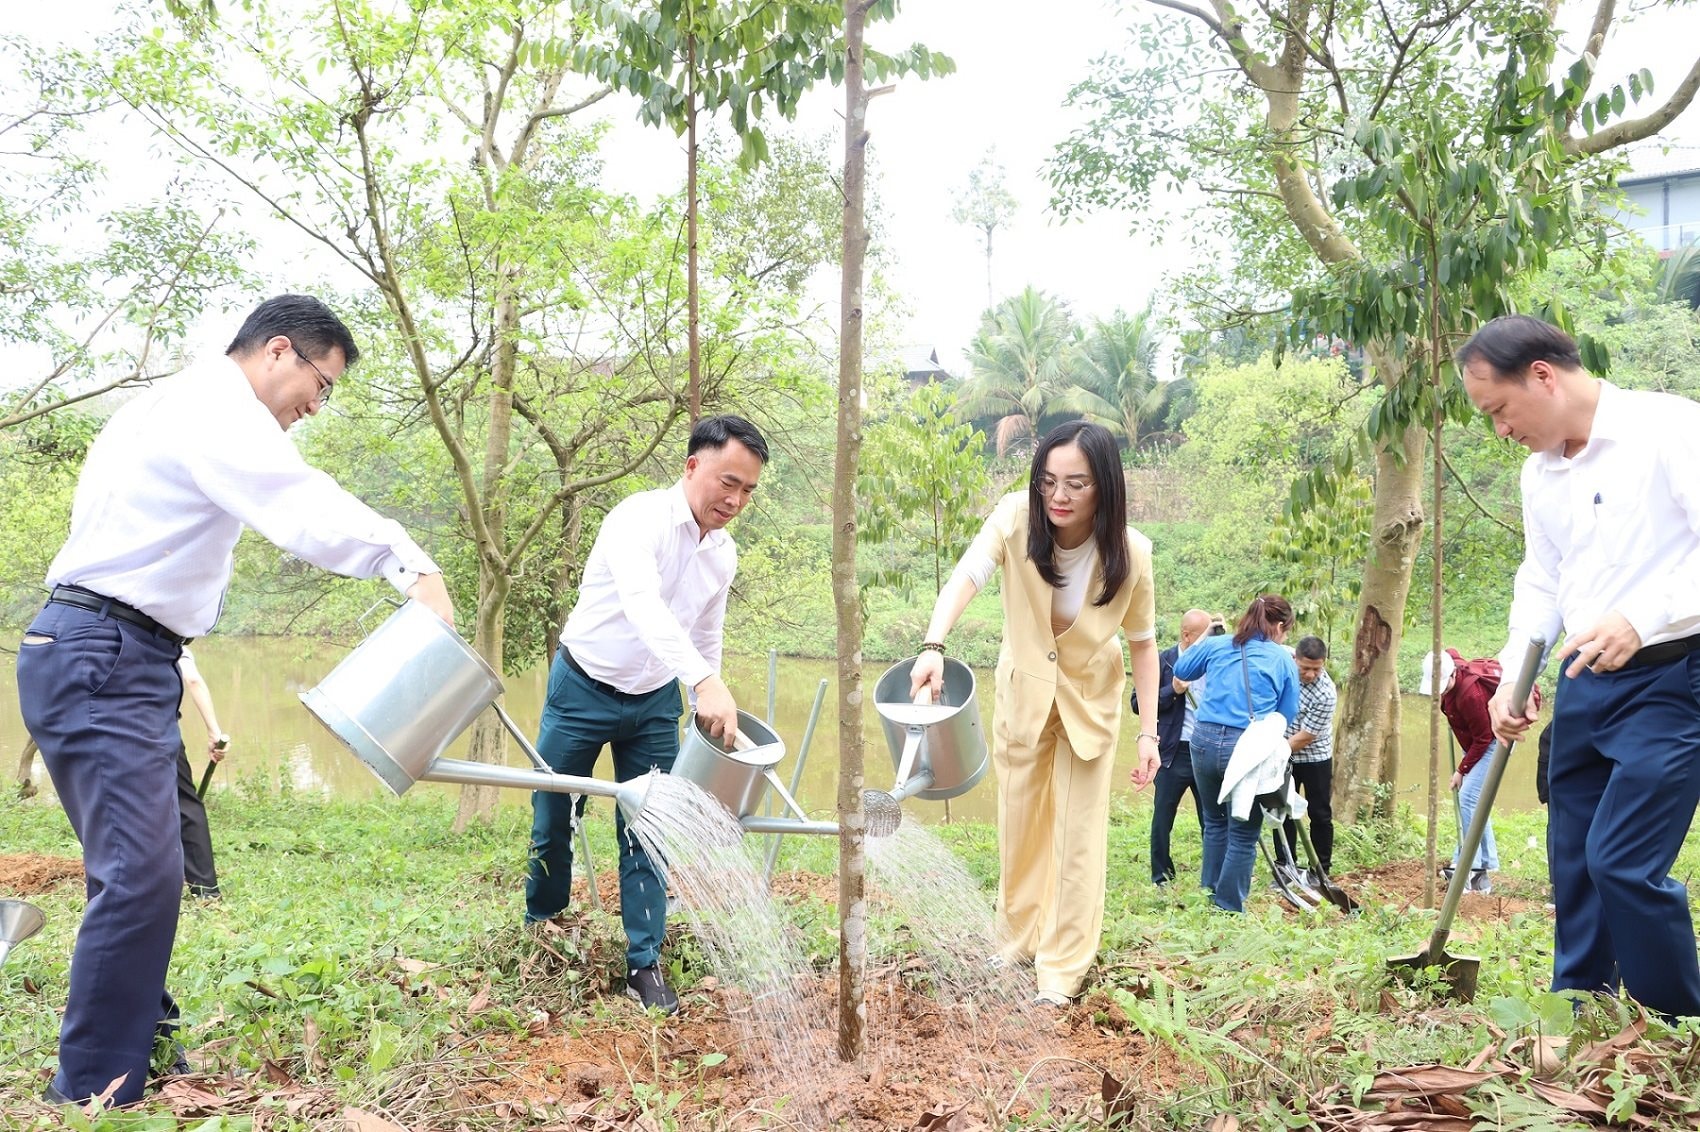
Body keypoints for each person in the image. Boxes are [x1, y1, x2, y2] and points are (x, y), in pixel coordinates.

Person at [15, 294, 456, 1107]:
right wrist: (411, 566)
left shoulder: (170, 403)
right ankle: (90, 1092)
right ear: (279, 351)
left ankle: (141, 1043)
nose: (313, 410)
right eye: (321, 387)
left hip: (116, 652)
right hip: (103, 651)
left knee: (141, 868)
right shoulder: (215, 407)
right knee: (142, 875)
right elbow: (298, 503)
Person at [1462, 313, 1700, 1020]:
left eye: (1500, 411)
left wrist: (1642, 616)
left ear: (1543, 375)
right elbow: (1542, 580)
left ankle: (1677, 1016)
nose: (1501, 431)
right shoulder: (1543, 475)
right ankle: (1583, 1007)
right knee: (1574, 860)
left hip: (1673, 674)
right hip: (1582, 682)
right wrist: (1512, 676)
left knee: (1621, 860)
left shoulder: (1669, 429)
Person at [910, 420, 1159, 1006]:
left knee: (1077, 836)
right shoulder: (1016, 517)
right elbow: (968, 574)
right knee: (1019, 825)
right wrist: (933, 645)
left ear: (1106, 487)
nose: (1059, 497)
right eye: (1048, 481)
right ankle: (1016, 939)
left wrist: (1149, 734)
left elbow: (1145, 644)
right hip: (1024, 696)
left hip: (1088, 704)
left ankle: (1062, 968)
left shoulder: (1133, 552)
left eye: (1076, 484)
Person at [525, 414, 766, 1015]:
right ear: (692, 466)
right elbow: (644, 607)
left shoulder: (724, 554)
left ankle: (644, 964)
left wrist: (701, 706)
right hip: (583, 685)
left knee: (649, 828)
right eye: (727, 482)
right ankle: (543, 925)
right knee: (555, 808)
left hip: (656, 699)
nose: (734, 501)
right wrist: (707, 682)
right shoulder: (638, 520)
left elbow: (706, 633)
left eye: (747, 491)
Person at [1173, 594, 1301, 913]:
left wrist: (1207, 635)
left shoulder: (1219, 645)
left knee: (1215, 822)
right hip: (1245, 748)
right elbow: (1287, 712)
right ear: (1281, 626)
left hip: (1202, 742)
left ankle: (1208, 892)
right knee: (1243, 833)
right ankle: (1228, 906)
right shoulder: (1282, 657)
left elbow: (1182, 668)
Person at [1137, 608, 1212, 885]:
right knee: (1162, 819)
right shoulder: (1163, 662)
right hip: (1172, 752)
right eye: (1203, 638)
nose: (1208, 644)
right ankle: (1161, 877)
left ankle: (1212, 878)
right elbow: (1137, 703)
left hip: (1206, 751)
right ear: (1187, 636)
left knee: (1212, 820)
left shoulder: (1214, 661)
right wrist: (1173, 691)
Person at [1420, 647, 1504, 893]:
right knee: (1476, 802)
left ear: (1453, 676)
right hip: (1477, 744)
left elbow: (1484, 738)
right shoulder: (1448, 668)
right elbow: (1448, 651)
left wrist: (1461, 770)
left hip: (1493, 743)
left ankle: (1472, 869)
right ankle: (1485, 864)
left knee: (1468, 799)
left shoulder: (1470, 695)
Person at [175, 649, 230, 899]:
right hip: (154, 728)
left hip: (103, 725)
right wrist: (214, 732)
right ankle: (206, 890)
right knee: (186, 804)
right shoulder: (169, 634)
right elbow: (192, 679)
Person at [1282, 636, 1337, 875]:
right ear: (1295, 659)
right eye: (1305, 668)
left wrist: (1271, 752)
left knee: (1319, 813)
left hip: (1315, 757)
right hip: (1284, 753)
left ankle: (1320, 869)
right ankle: (1286, 865)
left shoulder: (1326, 693)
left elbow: (1306, 736)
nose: (1310, 674)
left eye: (1316, 669)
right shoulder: (1283, 665)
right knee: (1283, 809)